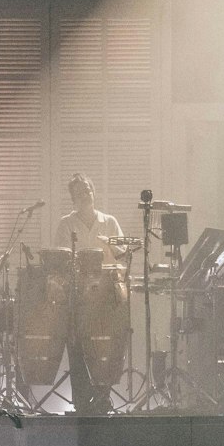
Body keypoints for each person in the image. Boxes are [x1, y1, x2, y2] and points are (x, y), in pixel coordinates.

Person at [46, 173, 130, 415]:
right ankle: (82, 402)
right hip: (77, 296)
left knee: (106, 344)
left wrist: (111, 246)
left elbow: (123, 255)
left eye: (88, 190)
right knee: (77, 345)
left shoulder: (109, 221)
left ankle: (103, 398)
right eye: (80, 192)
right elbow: (59, 261)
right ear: (73, 197)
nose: (85, 194)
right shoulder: (66, 224)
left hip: (105, 295)